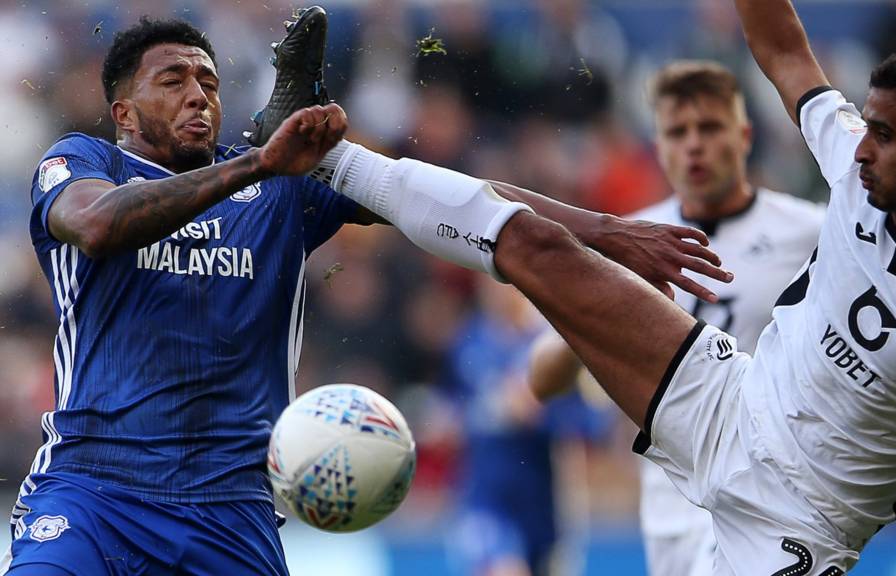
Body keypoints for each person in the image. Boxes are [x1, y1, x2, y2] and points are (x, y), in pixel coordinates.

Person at [306, 2, 896, 574]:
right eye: (864, 127)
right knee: (540, 244)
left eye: (885, 136)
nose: (859, 147)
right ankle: (329, 160)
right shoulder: (856, 163)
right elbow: (783, 48)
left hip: (800, 521)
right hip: (728, 400)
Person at [2, 12, 727, 576]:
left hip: (229, 509)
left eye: (210, 81)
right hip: (93, 490)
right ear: (124, 112)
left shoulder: (278, 190)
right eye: (173, 81)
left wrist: (605, 230)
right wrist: (262, 160)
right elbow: (97, 228)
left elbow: (449, 196)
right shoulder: (84, 161)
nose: (199, 95)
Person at [528, 61, 824, 576]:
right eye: (677, 132)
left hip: (775, 495)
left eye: (709, 128)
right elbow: (540, 381)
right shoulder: (630, 242)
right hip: (672, 506)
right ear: (659, 145)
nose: (694, 145)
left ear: (745, 135)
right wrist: (596, 305)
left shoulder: (812, 234)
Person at [443, 280, 611, 576]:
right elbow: (453, 410)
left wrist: (542, 414)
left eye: (505, 283)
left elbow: (593, 424)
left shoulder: (554, 349)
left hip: (546, 506)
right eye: (489, 283)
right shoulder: (468, 342)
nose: (496, 291)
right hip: (487, 500)